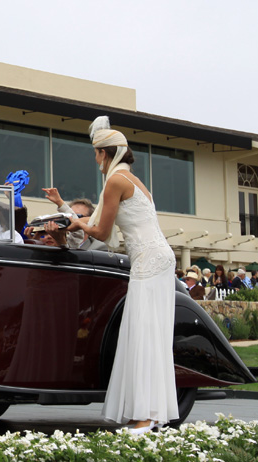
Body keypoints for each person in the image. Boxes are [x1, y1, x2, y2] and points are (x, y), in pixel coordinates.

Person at [65, 116, 177, 433]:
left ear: (105, 153)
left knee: (144, 334)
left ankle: (147, 415)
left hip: (149, 261)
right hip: (155, 258)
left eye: (97, 154)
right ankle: (146, 412)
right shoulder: (132, 179)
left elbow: (100, 230)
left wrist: (76, 223)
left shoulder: (116, 181)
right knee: (147, 334)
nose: (96, 161)